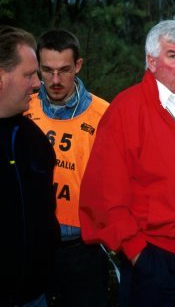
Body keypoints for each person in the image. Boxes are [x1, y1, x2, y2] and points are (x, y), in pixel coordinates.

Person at [79, 20, 175, 307]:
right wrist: (137, 252)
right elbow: (105, 193)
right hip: (158, 259)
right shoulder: (126, 110)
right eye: (174, 55)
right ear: (152, 62)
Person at [23, 29, 110, 306]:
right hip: (30, 246)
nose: (55, 80)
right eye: (47, 71)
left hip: (83, 249)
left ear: (78, 66)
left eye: (64, 70)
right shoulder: (22, 107)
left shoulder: (104, 114)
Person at [0, 26, 60, 307]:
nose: (38, 84)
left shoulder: (34, 140)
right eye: (29, 75)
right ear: (1, 76)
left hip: (35, 296)